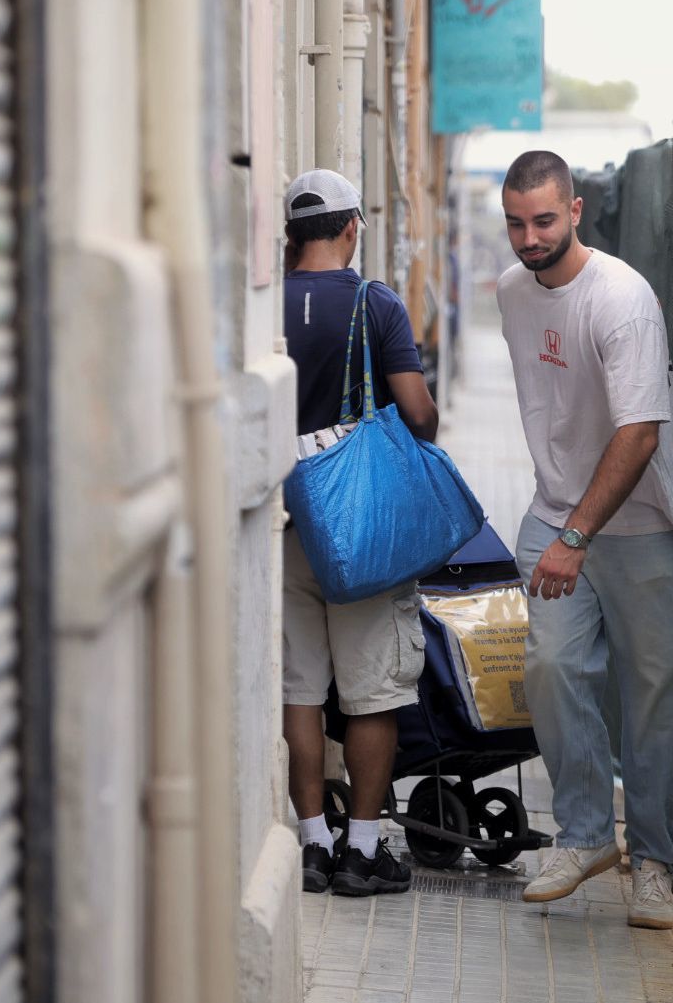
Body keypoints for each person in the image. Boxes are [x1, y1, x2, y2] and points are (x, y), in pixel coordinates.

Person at [496, 150, 673, 930]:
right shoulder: (514, 291)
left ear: (576, 210)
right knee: (552, 665)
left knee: (656, 689)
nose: (530, 238)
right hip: (556, 514)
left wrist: (579, 534)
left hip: (638, 521)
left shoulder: (623, 299)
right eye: (516, 222)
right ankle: (583, 836)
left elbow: (640, 430)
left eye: (544, 219)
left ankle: (654, 860)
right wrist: (563, 523)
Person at [281, 169, 438, 897]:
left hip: (283, 519)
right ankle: (361, 849)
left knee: (302, 687)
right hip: (361, 527)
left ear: (290, 237)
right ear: (351, 229)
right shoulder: (375, 304)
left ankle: (310, 842)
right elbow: (420, 414)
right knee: (374, 688)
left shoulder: (263, 304)